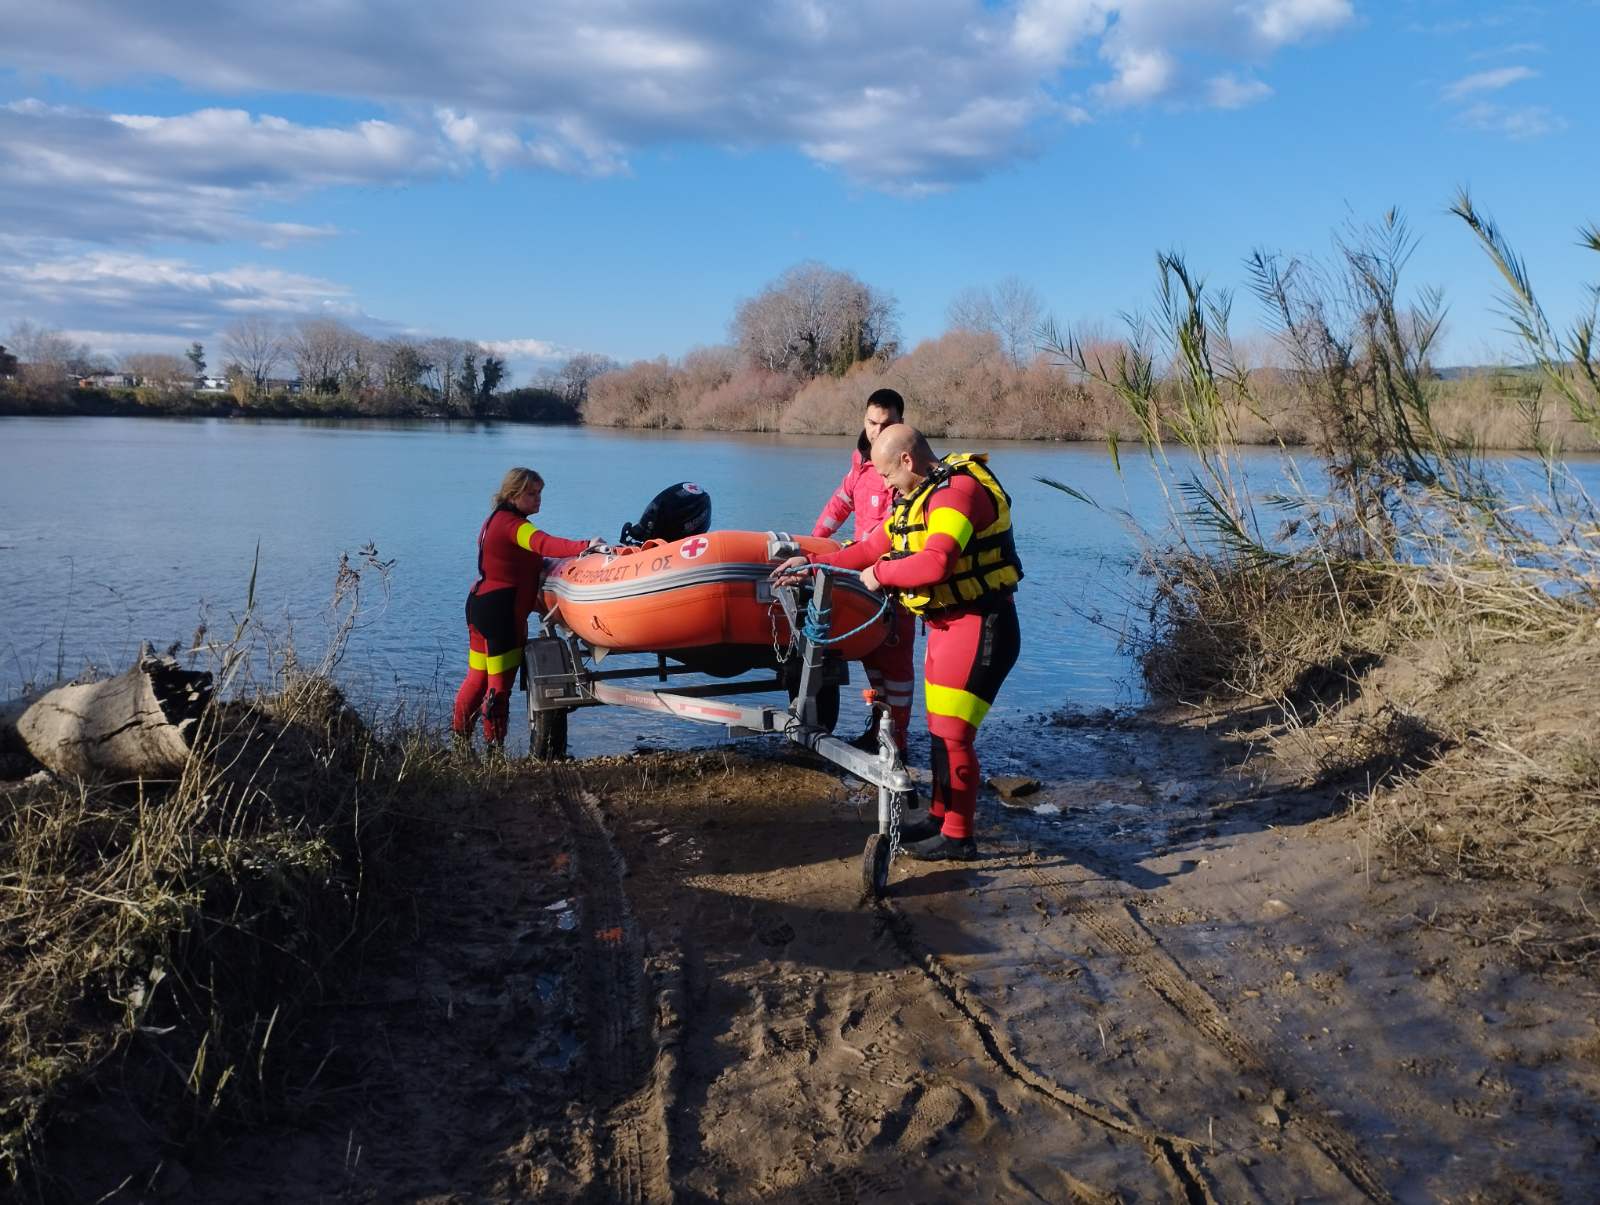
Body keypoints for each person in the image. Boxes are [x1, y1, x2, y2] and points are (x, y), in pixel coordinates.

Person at [773, 426, 1022, 861]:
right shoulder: (918, 500)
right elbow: (870, 546)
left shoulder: (956, 493)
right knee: (941, 734)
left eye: (887, 474)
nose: (884, 484)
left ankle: (959, 837)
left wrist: (882, 575)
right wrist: (813, 565)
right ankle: (940, 817)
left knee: (954, 736)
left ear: (908, 460)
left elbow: (937, 562)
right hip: (947, 628)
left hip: (981, 628)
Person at [452, 467, 595, 749]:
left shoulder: (493, 520)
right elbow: (545, 543)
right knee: (499, 687)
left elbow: (519, 558)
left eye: (540, 493)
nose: (538, 499)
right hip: (503, 614)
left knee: (476, 680)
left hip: (480, 606)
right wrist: (586, 545)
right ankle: (494, 751)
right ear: (514, 494)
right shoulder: (515, 526)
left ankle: (459, 744)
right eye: (531, 493)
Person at [810, 387, 916, 754]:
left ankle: (897, 740)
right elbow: (840, 503)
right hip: (862, 579)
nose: (876, 430)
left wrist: (847, 555)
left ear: (900, 423)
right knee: (870, 657)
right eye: (871, 422)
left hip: (896, 580)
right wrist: (814, 543)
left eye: (885, 424)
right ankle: (877, 729)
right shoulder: (860, 462)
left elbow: (889, 530)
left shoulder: (908, 464)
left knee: (896, 665)